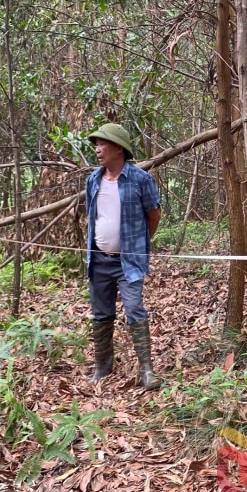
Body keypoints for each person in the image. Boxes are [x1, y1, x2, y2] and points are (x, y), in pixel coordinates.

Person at [85, 123, 162, 389]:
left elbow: (153, 216)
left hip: (128, 261)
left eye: (102, 144)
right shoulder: (93, 180)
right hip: (98, 260)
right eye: (96, 144)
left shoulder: (141, 179)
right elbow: (93, 217)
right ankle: (103, 367)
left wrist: (138, 245)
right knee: (101, 314)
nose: (97, 149)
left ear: (118, 147)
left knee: (134, 310)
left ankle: (146, 371)